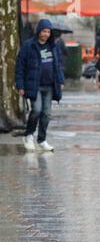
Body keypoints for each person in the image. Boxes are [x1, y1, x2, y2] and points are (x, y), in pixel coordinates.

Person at [16, 19, 65, 151]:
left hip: (49, 85)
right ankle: (29, 135)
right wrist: (20, 86)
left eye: (48, 31)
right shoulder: (28, 46)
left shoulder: (53, 46)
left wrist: (60, 81)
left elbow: (58, 65)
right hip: (34, 85)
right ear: (38, 31)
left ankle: (42, 140)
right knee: (36, 110)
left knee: (47, 114)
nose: (46, 34)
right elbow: (20, 66)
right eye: (44, 31)